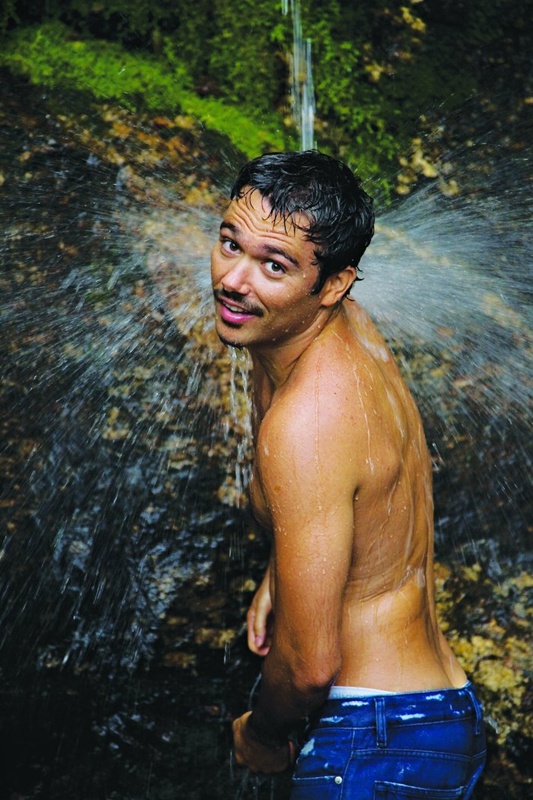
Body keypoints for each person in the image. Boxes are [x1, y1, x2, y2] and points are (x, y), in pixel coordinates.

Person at [210, 151, 486, 798]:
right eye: (230, 243)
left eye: (273, 265)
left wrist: (263, 734)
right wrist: (286, 569)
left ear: (333, 284)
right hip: (437, 715)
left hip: (371, 740)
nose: (234, 279)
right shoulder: (341, 331)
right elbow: (361, 491)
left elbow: (310, 667)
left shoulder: (306, 421)